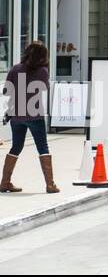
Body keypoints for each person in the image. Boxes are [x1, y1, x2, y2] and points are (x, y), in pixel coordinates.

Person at [1, 41, 57, 194]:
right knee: (43, 148)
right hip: (35, 115)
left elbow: (6, 91)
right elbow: (45, 87)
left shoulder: (15, 69)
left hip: (17, 115)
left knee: (16, 147)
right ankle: (50, 185)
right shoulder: (43, 71)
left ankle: (5, 182)